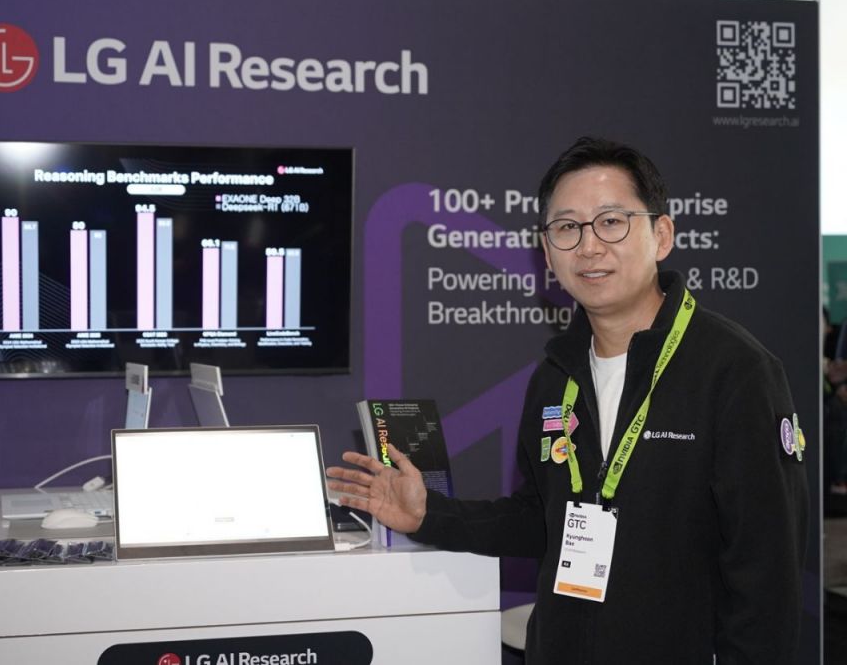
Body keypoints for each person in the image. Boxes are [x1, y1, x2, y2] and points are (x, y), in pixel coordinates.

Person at [327, 137, 808, 664]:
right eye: (566, 227)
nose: (588, 247)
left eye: (611, 221)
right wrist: (429, 514)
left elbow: (768, 572)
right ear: (547, 249)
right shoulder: (556, 376)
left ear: (662, 235)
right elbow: (542, 518)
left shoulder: (734, 371)